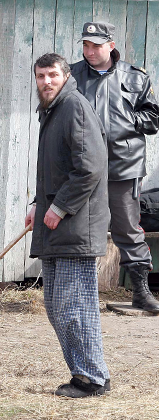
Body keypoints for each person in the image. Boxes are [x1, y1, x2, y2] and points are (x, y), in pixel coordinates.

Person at [26, 53, 111, 398]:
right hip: (56, 225)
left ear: (65, 76)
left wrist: (60, 207)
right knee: (56, 305)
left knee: (73, 307)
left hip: (76, 226)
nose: (46, 82)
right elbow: (56, 170)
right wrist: (37, 204)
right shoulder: (52, 111)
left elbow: (90, 166)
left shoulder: (73, 107)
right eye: (40, 76)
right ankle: (85, 373)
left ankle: (92, 378)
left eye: (52, 75)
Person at [71, 22, 159, 313]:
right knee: (79, 228)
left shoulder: (135, 78)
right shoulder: (70, 75)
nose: (89, 51)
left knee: (127, 228)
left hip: (123, 165)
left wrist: (128, 120)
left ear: (110, 45)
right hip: (82, 166)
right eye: (85, 45)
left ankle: (141, 293)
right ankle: (79, 293)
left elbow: (153, 119)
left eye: (95, 45)